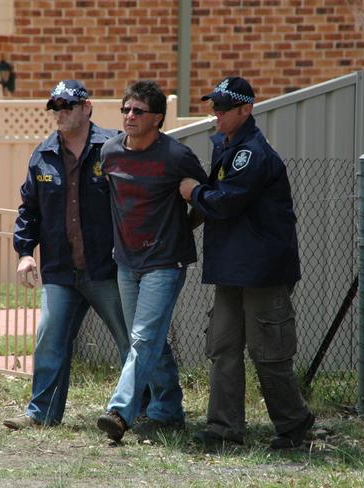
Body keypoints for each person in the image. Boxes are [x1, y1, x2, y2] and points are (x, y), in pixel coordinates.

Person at [179, 76, 314, 449]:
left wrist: (193, 192)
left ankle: (293, 424)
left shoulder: (251, 152)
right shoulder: (228, 146)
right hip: (231, 269)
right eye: (214, 105)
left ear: (246, 109)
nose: (216, 113)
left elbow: (224, 202)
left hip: (262, 271)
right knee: (222, 346)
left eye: (224, 107)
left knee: (268, 352)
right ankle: (224, 429)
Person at [3, 80, 132, 430]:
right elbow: (29, 209)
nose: (60, 113)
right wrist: (25, 252)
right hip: (61, 270)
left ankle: (144, 413)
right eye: (56, 108)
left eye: (67, 106)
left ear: (86, 107)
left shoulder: (113, 147)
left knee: (130, 342)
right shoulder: (43, 154)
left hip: (106, 269)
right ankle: (41, 414)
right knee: (50, 339)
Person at [96, 80, 208, 442]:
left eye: (138, 111)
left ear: (157, 118)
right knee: (145, 339)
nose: (130, 115)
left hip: (165, 261)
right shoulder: (110, 152)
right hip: (126, 262)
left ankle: (120, 412)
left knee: (143, 338)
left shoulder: (176, 157)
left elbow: (205, 200)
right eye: (126, 109)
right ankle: (169, 410)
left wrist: (181, 229)